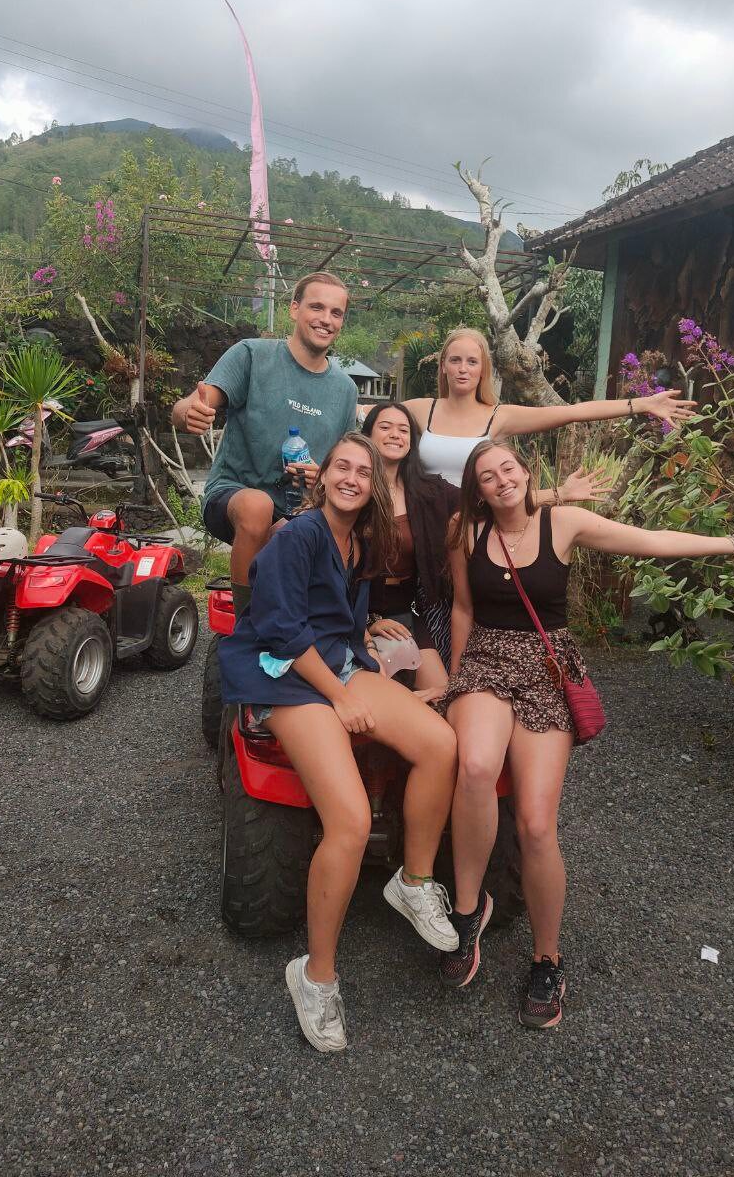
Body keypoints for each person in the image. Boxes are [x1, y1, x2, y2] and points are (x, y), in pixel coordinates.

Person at [439, 438, 734, 1029]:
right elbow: (465, 610)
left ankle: (547, 958)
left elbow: (648, 542)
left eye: (509, 469)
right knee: (473, 767)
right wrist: (452, 681)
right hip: (487, 662)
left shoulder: (563, 523)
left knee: (536, 823)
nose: (501, 481)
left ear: (527, 473)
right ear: (477, 490)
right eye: (487, 476)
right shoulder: (463, 531)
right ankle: (469, 910)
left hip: (549, 666)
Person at [218, 433, 459, 1054]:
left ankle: (413, 879)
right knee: (349, 820)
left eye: (363, 470)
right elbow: (280, 628)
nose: (352, 477)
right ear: (322, 477)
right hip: (288, 673)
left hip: (337, 660)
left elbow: (337, 620)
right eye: (342, 468)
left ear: (374, 483)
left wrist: (370, 650)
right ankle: (316, 974)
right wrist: (347, 697)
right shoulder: (293, 537)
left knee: (438, 744)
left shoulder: (361, 541)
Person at [172, 272, 357, 616]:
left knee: (333, 527)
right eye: (317, 307)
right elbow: (192, 404)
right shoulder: (252, 356)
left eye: (336, 313)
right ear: (294, 309)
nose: (326, 320)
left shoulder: (344, 389)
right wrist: (189, 413)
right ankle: (248, 623)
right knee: (257, 507)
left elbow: (345, 462)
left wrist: (325, 476)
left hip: (301, 511)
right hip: (234, 498)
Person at [401, 327, 697, 489]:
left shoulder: (498, 416)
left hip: (475, 530)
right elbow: (365, 417)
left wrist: (643, 403)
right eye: (455, 360)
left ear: (483, 370)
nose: (463, 369)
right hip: (422, 528)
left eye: (472, 362)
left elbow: (572, 412)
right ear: (443, 366)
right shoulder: (419, 410)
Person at [361, 401, 460, 694]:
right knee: (377, 695)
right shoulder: (353, 488)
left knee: (440, 695)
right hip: (355, 610)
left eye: (403, 430)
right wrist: (366, 623)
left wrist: (556, 495)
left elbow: (490, 499)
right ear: (367, 435)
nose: (395, 434)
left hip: (405, 609)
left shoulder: (428, 491)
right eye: (385, 427)